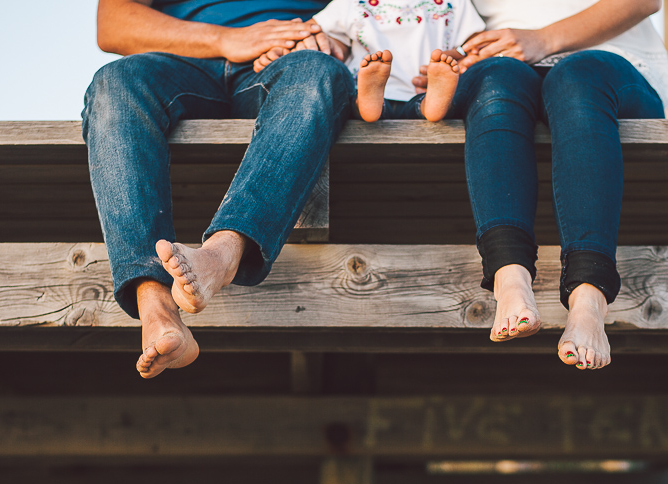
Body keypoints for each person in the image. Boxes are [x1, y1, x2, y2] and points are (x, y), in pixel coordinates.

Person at [82, 0, 354, 378]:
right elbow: (113, 23)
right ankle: (156, 307)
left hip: (292, 59)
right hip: (181, 59)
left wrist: (342, 40)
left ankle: (220, 257)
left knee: (319, 70)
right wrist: (227, 38)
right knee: (114, 84)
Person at [428, 0, 668, 369]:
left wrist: (542, 40)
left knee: (575, 76)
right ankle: (510, 279)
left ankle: (590, 298)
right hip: (507, 66)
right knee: (495, 81)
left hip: (612, 63)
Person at [256, 0, 485, 122]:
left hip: (422, 87)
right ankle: (423, 105)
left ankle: (432, 103)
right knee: (363, 99)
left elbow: (475, 43)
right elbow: (322, 37)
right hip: (381, 89)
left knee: (423, 102)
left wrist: (461, 55)